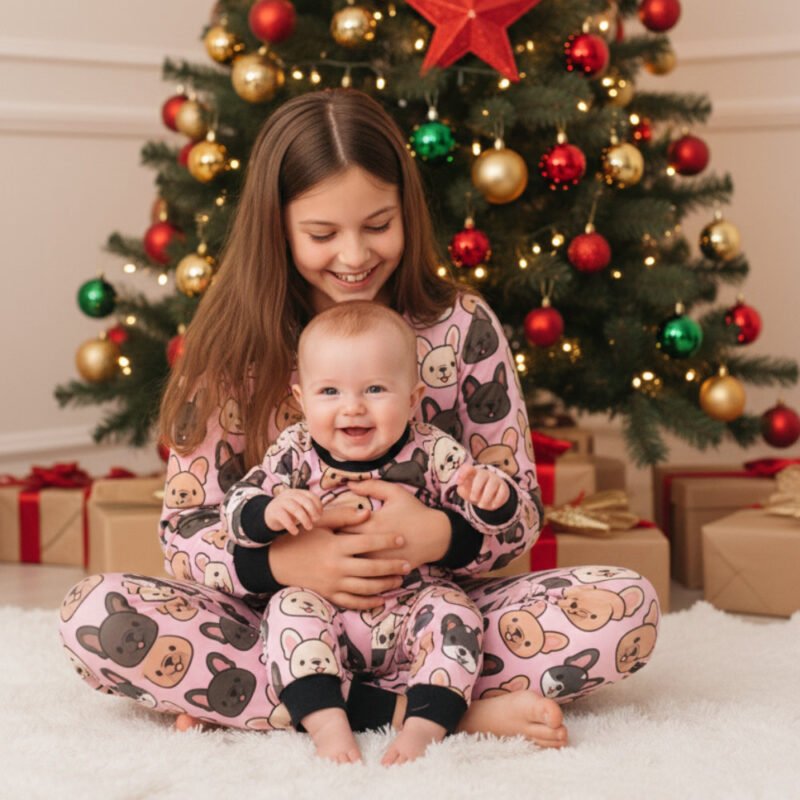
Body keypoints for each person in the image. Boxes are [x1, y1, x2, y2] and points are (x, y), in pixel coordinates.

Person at [58, 88, 660, 753]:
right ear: (277, 227)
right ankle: (445, 711)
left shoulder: (462, 329)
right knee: (95, 618)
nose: (353, 255)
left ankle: (275, 706)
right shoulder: (227, 347)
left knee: (626, 608)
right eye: (321, 234)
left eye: (379, 225)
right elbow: (186, 532)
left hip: (436, 617)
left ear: (407, 212)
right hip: (277, 623)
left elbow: (518, 514)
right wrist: (289, 563)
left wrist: (435, 535)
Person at [224, 300, 525, 764]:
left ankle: (424, 727)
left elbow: (486, 515)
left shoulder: (433, 449)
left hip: (412, 606)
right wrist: (271, 512)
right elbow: (238, 507)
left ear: (410, 397)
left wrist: (492, 494)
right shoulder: (294, 452)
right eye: (329, 392)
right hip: (322, 608)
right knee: (287, 612)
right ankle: (328, 725)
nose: (353, 407)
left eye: (375, 388)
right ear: (301, 400)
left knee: (457, 613)